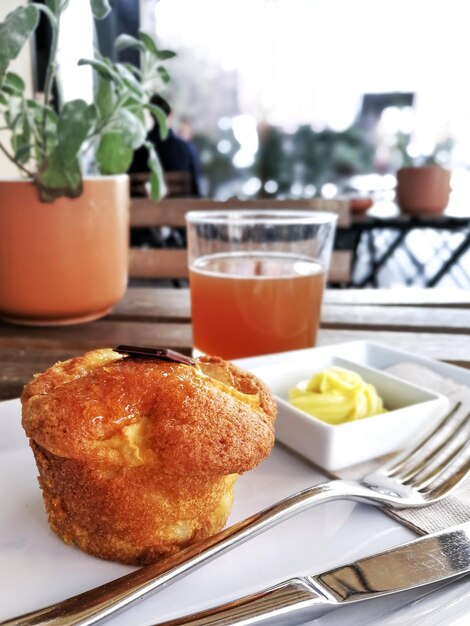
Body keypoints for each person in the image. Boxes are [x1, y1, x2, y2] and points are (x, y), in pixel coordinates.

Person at [129, 94, 202, 197]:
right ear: (171, 113)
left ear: (150, 113)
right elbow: (196, 192)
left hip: (142, 211)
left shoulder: (136, 148)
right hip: (179, 211)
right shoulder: (187, 149)